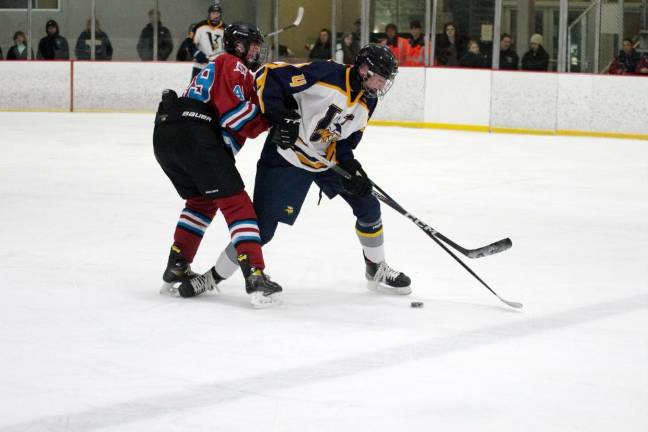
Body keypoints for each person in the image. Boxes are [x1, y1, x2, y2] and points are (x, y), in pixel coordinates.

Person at [187, 44, 412, 300]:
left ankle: (375, 268)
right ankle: (212, 277)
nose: (381, 86)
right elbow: (268, 75)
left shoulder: (369, 100)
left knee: (368, 205)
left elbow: (345, 142)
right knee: (263, 229)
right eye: (379, 78)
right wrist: (281, 116)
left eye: (385, 81)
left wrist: (352, 168)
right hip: (286, 156)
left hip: (323, 159)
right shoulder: (326, 73)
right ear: (363, 69)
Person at [153, 22, 282, 308]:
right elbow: (236, 117)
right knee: (239, 206)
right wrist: (271, 119)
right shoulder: (231, 64)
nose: (257, 51)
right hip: (194, 135)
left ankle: (177, 266)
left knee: (201, 202)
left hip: (167, 134)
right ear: (239, 46)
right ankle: (256, 275)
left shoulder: (216, 67)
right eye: (254, 45)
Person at [191, 2, 226, 78]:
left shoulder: (225, 29)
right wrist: (197, 54)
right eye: (213, 13)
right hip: (200, 67)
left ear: (220, 15)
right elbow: (189, 43)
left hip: (218, 68)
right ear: (209, 14)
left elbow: (229, 48)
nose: (215, 16)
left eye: (217, 13)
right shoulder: (200, 26)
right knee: (195, 88)